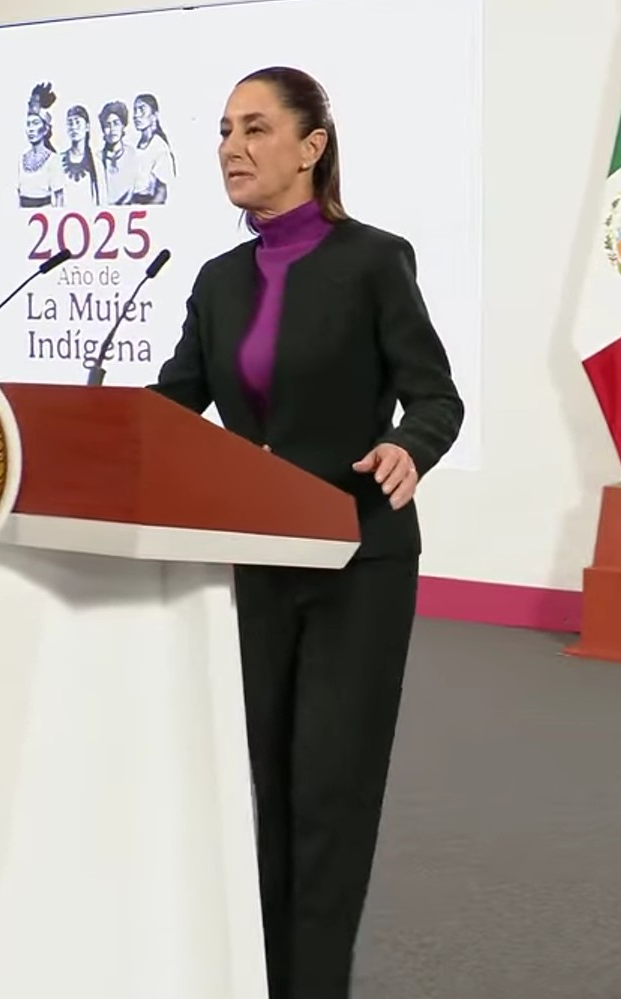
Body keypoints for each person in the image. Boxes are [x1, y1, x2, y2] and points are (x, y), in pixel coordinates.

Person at [148, 66, 463, 999]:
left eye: (254, 128)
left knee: (328, 793)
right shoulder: (217, 281)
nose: (231, 148)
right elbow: (171, 405)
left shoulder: (374, 260)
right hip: (253, 561)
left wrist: (409, 446)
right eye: (222, 130)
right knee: (262, 790)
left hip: (355, 559)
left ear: (310, 147)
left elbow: (435, 395)